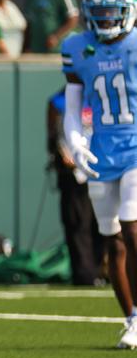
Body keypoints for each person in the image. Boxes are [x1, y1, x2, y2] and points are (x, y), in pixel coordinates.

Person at [60, 0, 137, 348]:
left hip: (136, 147)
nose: (105, 20)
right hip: (101, 150)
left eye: (112, 12)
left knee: (133, 226)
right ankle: (132, 318)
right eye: (99, 13)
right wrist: (75, 143)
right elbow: (73, 105)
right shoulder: (77, 47)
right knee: (113, 242)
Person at [47, 88, 103, 287]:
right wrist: (61, 156)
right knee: (77, 224)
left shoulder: (98, 95)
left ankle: (100, 270)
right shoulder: (58, 101)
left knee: (102, 223)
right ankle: (84, 274)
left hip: (99, 168)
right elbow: (53, 135)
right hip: (72, 173)